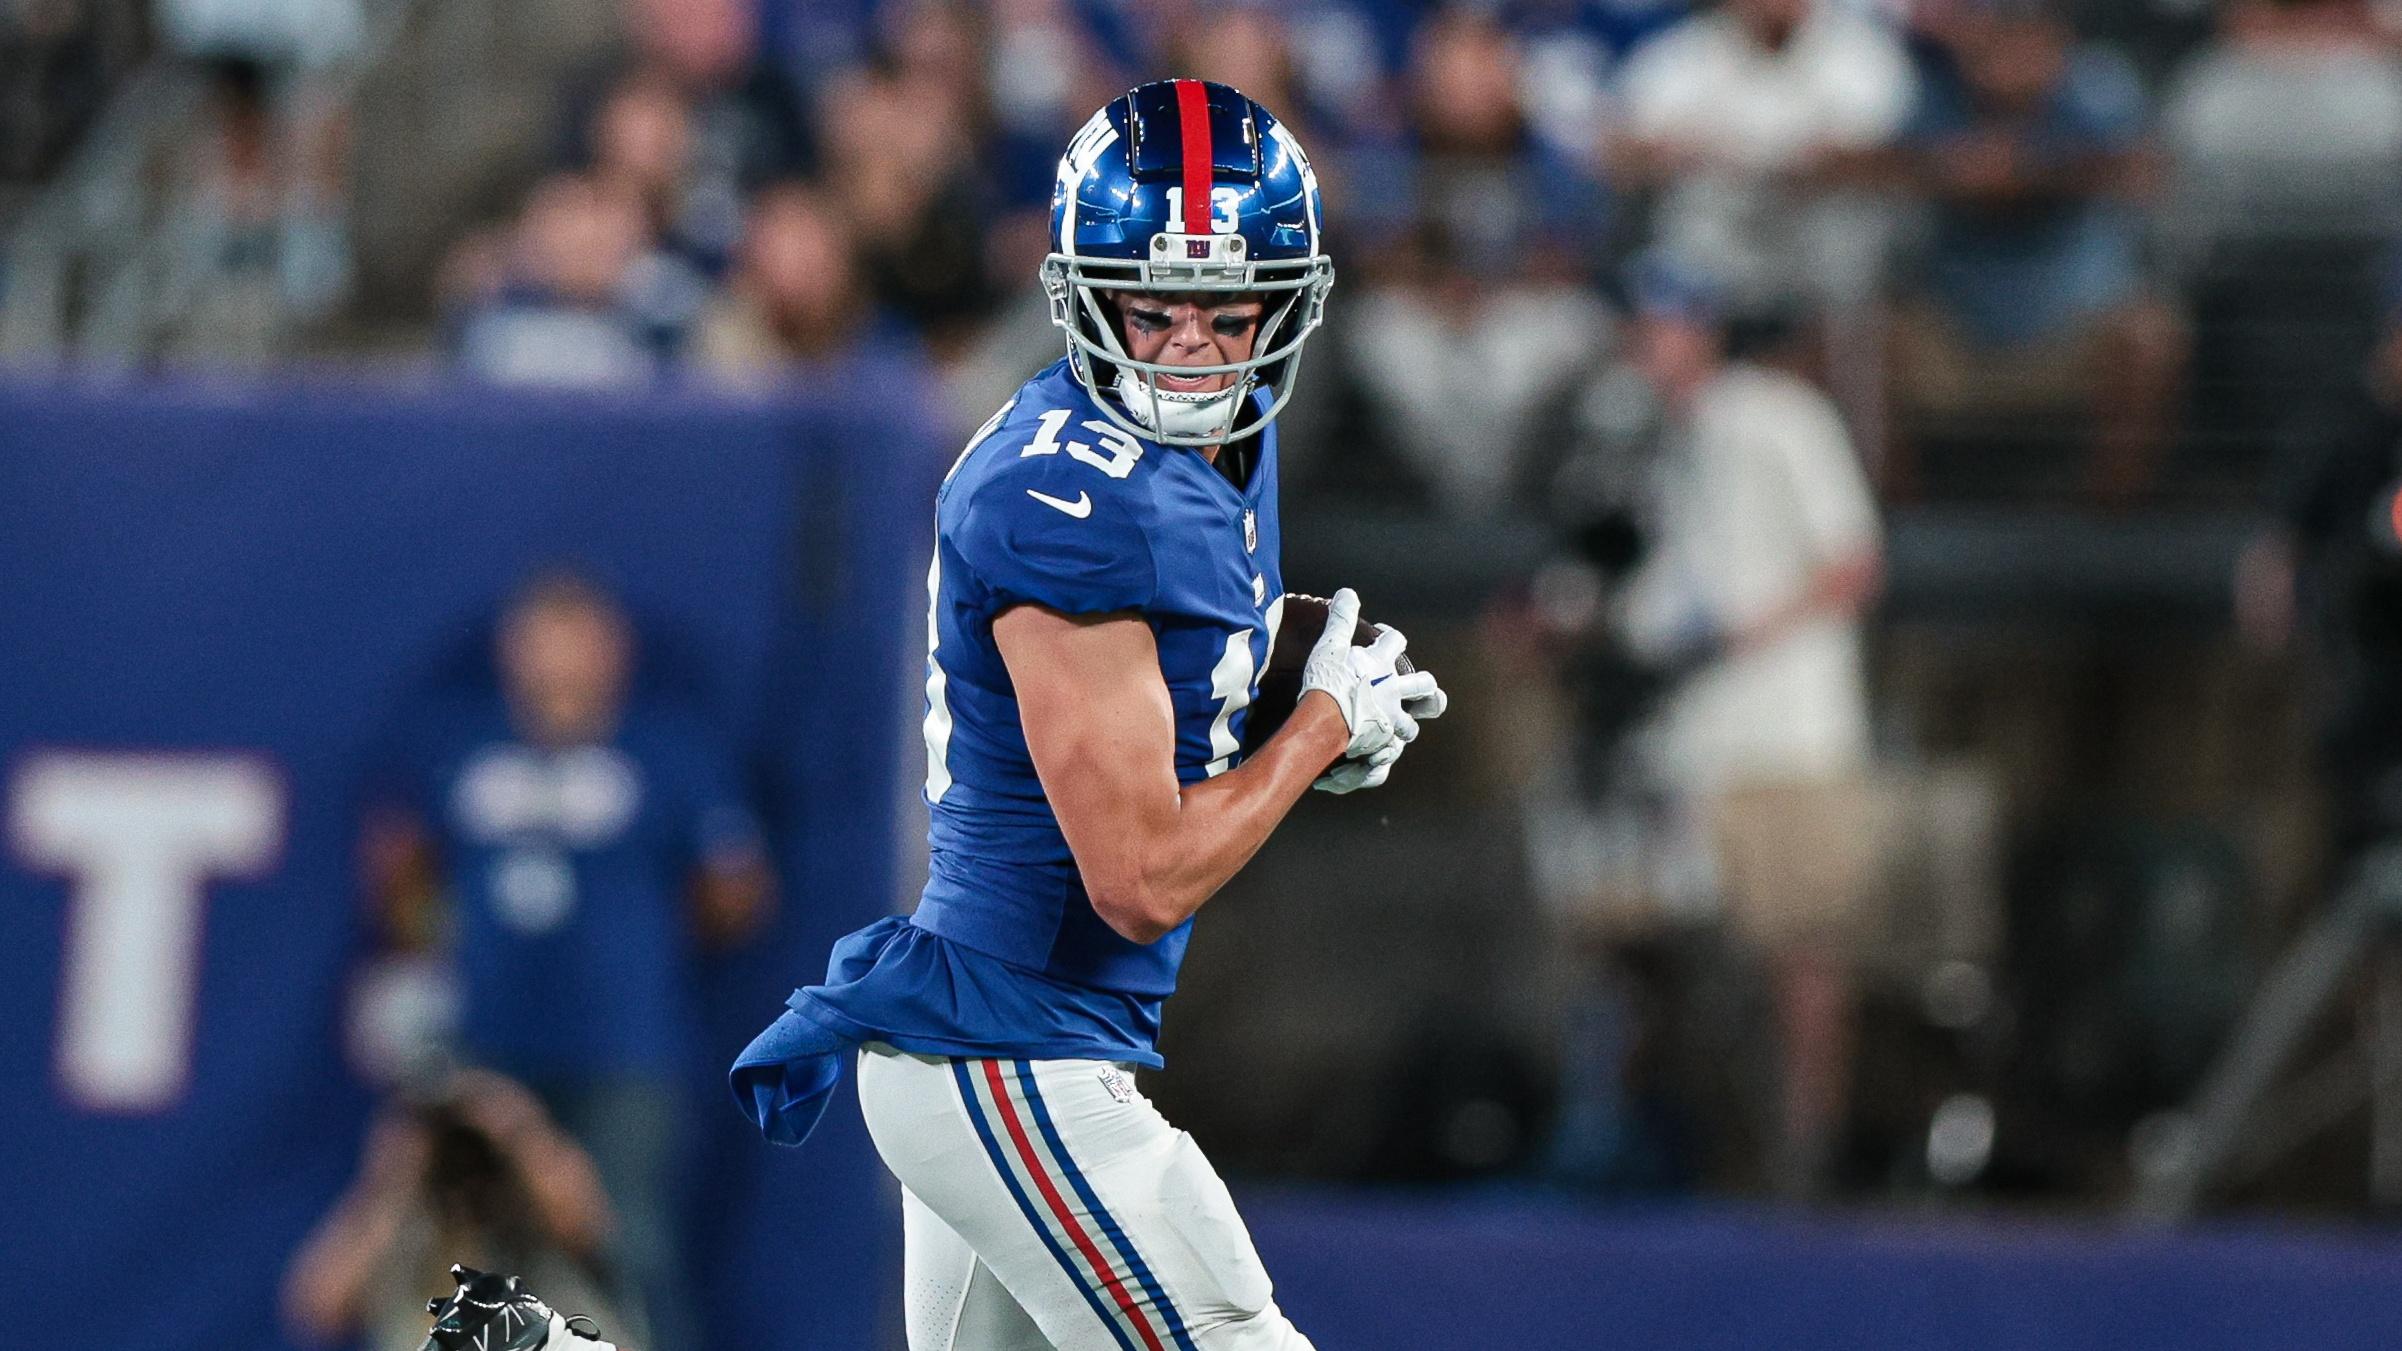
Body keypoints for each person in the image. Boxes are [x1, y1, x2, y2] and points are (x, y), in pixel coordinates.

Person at [729, 80, 1446, 1349]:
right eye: (1148, 311)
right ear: (1076, 295)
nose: (1183, 351)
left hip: (1001, 1047)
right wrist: (1319, 728)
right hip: (1008, 1052)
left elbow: (1176, 674)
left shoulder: (1216, 446)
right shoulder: (1066, 497)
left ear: (1283, 307)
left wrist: (1293, 683)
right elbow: (1139, 877)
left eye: (1222, 316)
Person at [369, 570, 772, 1351]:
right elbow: (399, 862)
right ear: (508, 651)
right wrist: (449, 934)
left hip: (622, 1052)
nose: (556, 662)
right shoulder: (460, 745)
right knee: (461, 1254)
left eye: (574, 641)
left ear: (612, 652)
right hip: (483, 1045)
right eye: (539, 641)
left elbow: (735, 890)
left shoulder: (667, 752)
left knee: (627, 1246)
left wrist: (635, 937)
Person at [282, 1070, 628, 1351]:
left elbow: (587, 1224)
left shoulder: (535, 1216)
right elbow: (317, 1307)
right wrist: (394, 1177)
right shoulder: (405, 1225)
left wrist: (520, 1135)